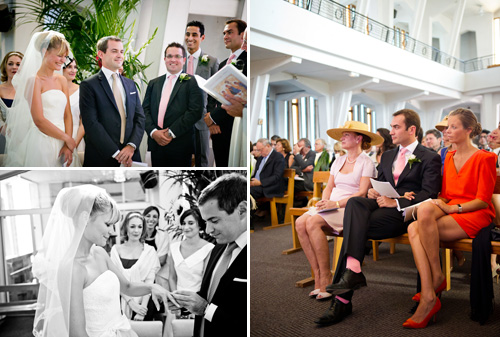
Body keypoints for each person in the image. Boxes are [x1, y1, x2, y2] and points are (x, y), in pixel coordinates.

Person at [316, 109, 441, 326]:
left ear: (412, 130)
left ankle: (342, 299)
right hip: (382, 206)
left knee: (354, 227)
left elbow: (429, 193)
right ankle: (353, 271)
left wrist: (398, 202)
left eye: (396, 127)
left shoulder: (429, 156)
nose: (390, 131)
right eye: (391, 126)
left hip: (407, 213)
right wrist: (374, 192)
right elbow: (380, 184)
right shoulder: (389, 155)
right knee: (356, 202)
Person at [32, 185, 174, 336]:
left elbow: (127, 286)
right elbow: (78, 334)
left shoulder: (99, 253)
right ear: (84, 219)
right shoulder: (72, 268)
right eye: (108, 224)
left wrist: (152, 288)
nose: (112, 232)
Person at [404, 108, 497, 328]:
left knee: (414, 229)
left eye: (454, 127)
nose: (448, 131)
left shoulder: (486, 157)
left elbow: (483, 201)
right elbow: (445, 195)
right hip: (452, 207)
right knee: (420, 216)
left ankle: (430, 293)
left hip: (475, 213)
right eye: (448, 127)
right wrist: (438, 204)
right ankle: (435, 279)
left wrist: (453, 209)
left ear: (469, 130)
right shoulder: (449, 156)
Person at [295, 121, 380, 300]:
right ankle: (317, 274)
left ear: (358, 138)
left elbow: (362, 193)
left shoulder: (366, 162)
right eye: (342, 135)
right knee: (299, 222)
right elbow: (329, 186)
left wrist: (336, 204)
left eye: (346, 135)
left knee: (312, 222)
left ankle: (326, 277)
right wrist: (324, 200)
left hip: (350, 208)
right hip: (331, 204)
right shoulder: (339, 160)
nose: (342, 138)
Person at [168, 173, 247, 337]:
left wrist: (205, 309)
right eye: (206, 222)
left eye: (214, 221)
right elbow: (212, 296)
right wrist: (187, 304)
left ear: (242, 210)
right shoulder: (217, 249)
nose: (209, 230)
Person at [4, 32, 80, 167]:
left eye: (65, 56)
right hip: (43, 141)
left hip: (64, 142)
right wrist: (67, 138)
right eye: (59, 55)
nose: (63, 60)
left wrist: (68, 145)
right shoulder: (34, 81)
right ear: (45, 52)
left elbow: (67, 115)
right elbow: (39, 120)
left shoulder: (62, 80)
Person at [80, 36, 145, 167]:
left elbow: (140, 118)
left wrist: (131, 146)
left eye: (121, 51)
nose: (120, 55)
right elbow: (91, 123)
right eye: (114, 51)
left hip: (131, 156)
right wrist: (116, 153)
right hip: (102, 156)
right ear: (100, 54)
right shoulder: (89, 85)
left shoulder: (131, 85)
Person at [143, 42, 203, 167]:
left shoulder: (192, 82)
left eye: (177, 56)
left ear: (184, 60)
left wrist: (170, 133)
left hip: (180, 143)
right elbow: (144, 110)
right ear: (164, 59)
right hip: (156, 143)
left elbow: (195, 111)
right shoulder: (153, 83)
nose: (173, 60)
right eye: (169, 56)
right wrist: (154, 132)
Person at [161, 208, 214, 337]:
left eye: (190, 223)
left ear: (199, 225)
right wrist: (176, 300)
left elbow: (206, 281)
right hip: (176, 302)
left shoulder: (209, 249)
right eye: (183, 223)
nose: (186, 227)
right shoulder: (174, 247)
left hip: (197, 301)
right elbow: (172, 277)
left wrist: (193, 304)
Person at [204, 19, 247, 167]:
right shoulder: (223, 64)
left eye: (230, 32)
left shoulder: (247, 59)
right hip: (217, 129)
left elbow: (240, 98)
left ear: (243, 35)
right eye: (224, 33)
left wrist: (213, 117)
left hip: (234, 125)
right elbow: (212, 95)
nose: (225, 36)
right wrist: (210, 121)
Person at [110, 212, 160, 321]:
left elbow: (149, 282)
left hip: (144, 303)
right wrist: (131, 303)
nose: (136, 230)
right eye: (132, 226)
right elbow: (115, 280)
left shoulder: (149, 251)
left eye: (139, 227)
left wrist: (142, 309)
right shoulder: (115, 250)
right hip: (118, 302)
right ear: (125, 228)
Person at [184, 21, 219, 167]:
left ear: (202, 37)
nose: (190, 38)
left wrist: (209, 115)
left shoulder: (211, 61)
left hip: (201, 120)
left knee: (202, 160)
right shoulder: (179, 60)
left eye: (194, 35)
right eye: (187, 34)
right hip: (181, 118)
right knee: (181, 158)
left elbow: (215, 92)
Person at [226, 28, 248, 167]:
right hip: (238, 118)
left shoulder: (245, 60)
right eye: (243, 41)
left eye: (246, 42)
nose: (243, 46)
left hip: (241, 116)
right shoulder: (238, 60)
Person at [0, 51, 23, 154]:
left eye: (18, 64)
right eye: (10, 63)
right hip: (4, 137)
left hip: (26, 138)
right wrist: (4, 129)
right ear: (5, 67)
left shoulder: (29, 89)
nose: (14, 67)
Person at [62, 57, 85, 153]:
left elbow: (83, 122)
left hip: (76, 137)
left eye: (75, 67)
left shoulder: (82, 91)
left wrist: (74, 144)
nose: (73, 70)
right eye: (69, 67)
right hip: (56, 135)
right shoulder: (54, 91)